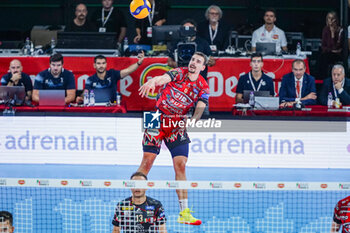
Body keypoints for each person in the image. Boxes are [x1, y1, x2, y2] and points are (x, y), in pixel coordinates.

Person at [138, 52, 209, 226]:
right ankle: (137, 205)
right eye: (193, 59)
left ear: (203, 67)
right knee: (147, 162)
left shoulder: (203, 86)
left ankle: (184, 212)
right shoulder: (179, 72)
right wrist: (152, 81)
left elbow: (200, 107)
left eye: (198, 61)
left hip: (177, 122)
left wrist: (193, 120)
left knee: (181, 165)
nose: (193, 63)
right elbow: (163, 78)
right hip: (156, 117)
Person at [76, 51, 145, 103]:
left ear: (106, 64)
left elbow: (128, 70)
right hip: (96, 107)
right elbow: (86, 92)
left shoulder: (112, 74)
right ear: (94, 65)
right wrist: (81, 98)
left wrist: (139, 63)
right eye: (98, 63)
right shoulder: (90, 79)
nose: (101, 66)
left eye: (103, 63)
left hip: (112, 107)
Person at [319, 11, 344, 80]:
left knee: (325, 57)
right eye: (329, 18)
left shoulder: (340, 30)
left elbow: (336, 47)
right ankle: (321, 80)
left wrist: (333, 34)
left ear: (336, 19)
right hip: (328, 53)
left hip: (337, 55)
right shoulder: (325, 29)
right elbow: (323, 46)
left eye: (332, 18)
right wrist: (332, 50)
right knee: (322, 57)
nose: (330, 20)